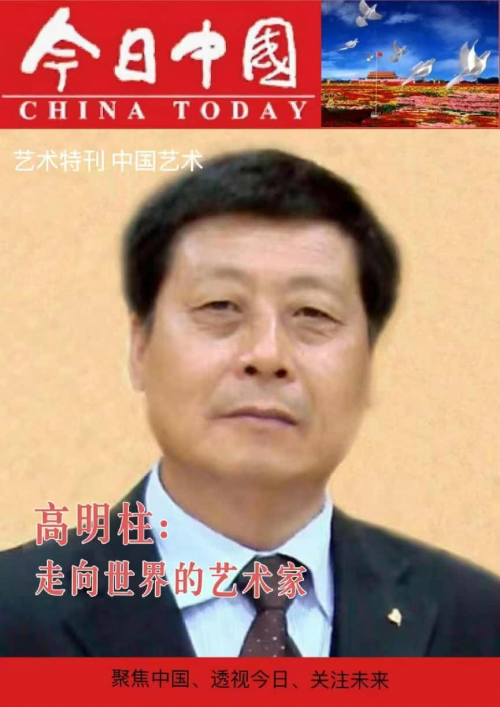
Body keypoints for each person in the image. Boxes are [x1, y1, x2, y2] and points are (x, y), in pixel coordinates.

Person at [0, 149, 499, 657]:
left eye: (313, 313)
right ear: (140, 347)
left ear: (369, 362)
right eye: (220, 306)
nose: (267, 355)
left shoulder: (477, 623)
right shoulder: (15, 611)